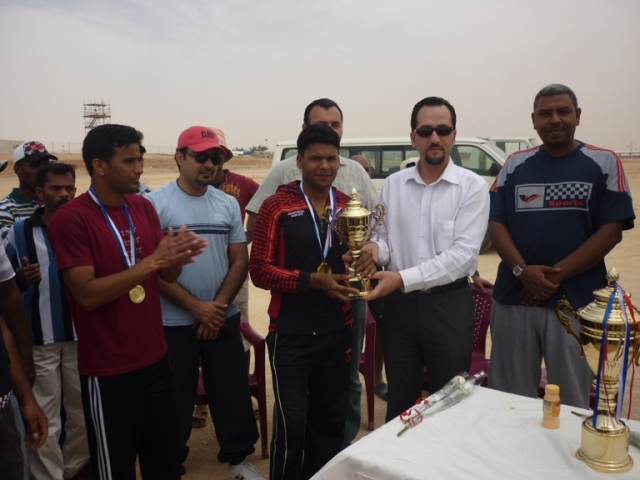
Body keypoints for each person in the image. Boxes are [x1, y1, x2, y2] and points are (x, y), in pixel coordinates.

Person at [48, 124, 208, 480]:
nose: (139, 169)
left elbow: (166, 277)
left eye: (140, 160)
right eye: (129, 161)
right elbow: (87, 295)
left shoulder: (142, 208)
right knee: (115, 469)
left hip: (155, 359)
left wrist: (176, 259)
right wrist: (152, 262)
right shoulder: (71, 219)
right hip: (108, 369)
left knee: (165, 466)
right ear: (100, 166)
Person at [487, 84, 635, 408]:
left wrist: (553, 277)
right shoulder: (514, 164)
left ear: (577, 116)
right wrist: (522, 271)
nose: (554, 120)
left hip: (577, 303)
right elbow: (495, 222)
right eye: (545, 114)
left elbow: (612, 231)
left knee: (570, 403)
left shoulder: (604, 161)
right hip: (515, 298)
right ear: (534, 120)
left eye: (563, 111)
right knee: (509, 402)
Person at [245, 98, 378, 446]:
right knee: (291, 426)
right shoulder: (277, 206)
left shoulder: (345, 206)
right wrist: (311, 281)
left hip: (338, 328)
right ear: (300, 161)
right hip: (291, 331)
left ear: (339, 161)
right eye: (315, 158)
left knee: (330, 423)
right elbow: (259, 271)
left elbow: (372, 236)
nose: (324, 165)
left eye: (331, 159)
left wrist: (366, 256)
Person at [364, 96, 490, 421]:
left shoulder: (472, 187)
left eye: (443, 130)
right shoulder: (393, 185)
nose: (435, 138)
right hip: (399, 307)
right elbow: (383, 237)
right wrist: (375, 249)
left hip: (448, 307)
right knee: (400, 402)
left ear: (454, 135)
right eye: (425, 131)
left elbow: (463, 256)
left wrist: (401, 278)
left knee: (448, 402)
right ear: (413, 137)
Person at [147, 126, 262, 480]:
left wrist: (216, 308)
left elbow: (239, 261)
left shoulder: (227, 204)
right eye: (201, 156)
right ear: (179, 157)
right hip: (174, 323)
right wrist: (197, 308)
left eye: (216, 157)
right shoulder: (155, 204)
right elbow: (151, 269)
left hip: (222, 317)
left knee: (231, 392)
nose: (210, 164)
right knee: (174, 399)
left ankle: (237, 461)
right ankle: (170, 465)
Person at [5, 162, 89, 479]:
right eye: (56, 188)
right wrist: (22, 279)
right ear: (40, 192)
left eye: (69, 187)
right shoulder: (19, 233)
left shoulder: (85, 227)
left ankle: (72, 469)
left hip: (81, 337)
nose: (64, 194)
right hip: (40, 341)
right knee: (45, 415)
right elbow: (6, 290)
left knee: (82, 413)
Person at [0, 141, 57, 239]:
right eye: (36, 165)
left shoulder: (55, 202)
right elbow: (10, 247)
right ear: (17, 169)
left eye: (46, 165)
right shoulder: (5, 210)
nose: (43, 171)